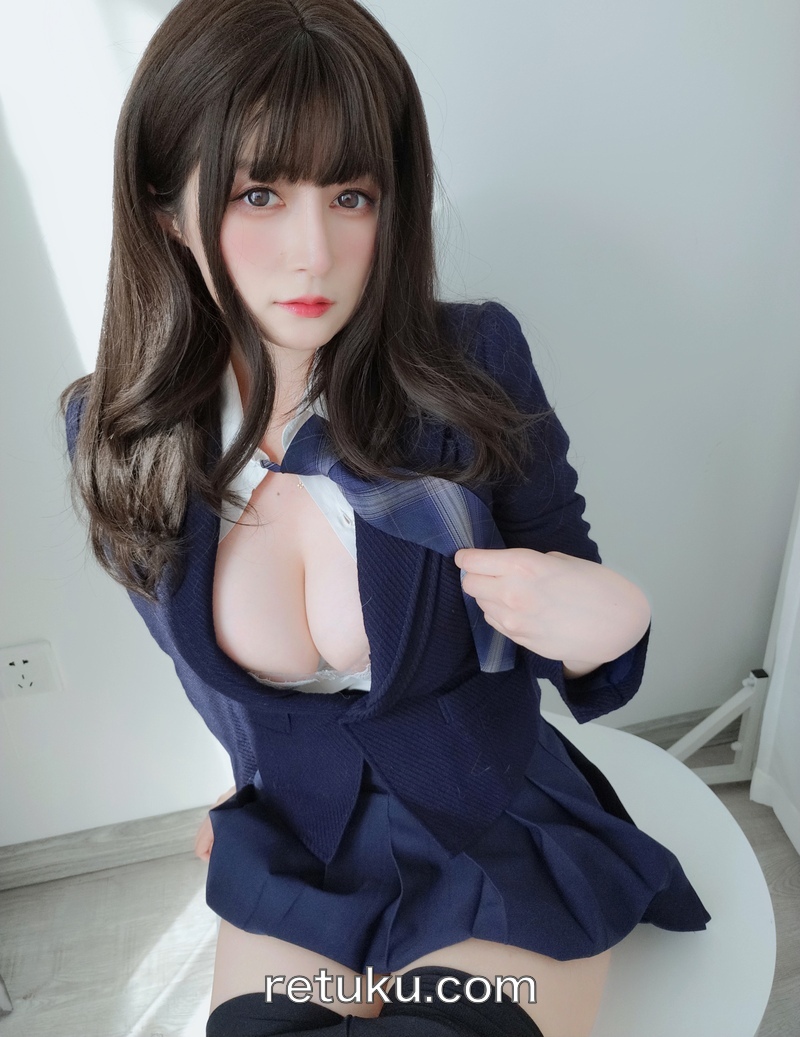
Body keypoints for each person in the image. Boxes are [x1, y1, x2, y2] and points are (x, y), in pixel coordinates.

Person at [62, 1, 711, 1034]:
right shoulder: (117, 429)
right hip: (299, 836)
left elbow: (565, 583)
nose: (313, 253)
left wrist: (613, 616)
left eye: (351, 195)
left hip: (487, 823)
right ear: (166, 209)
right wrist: (245, 785)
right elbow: (198, 668)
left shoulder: (470, 363)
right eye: (258, 193)